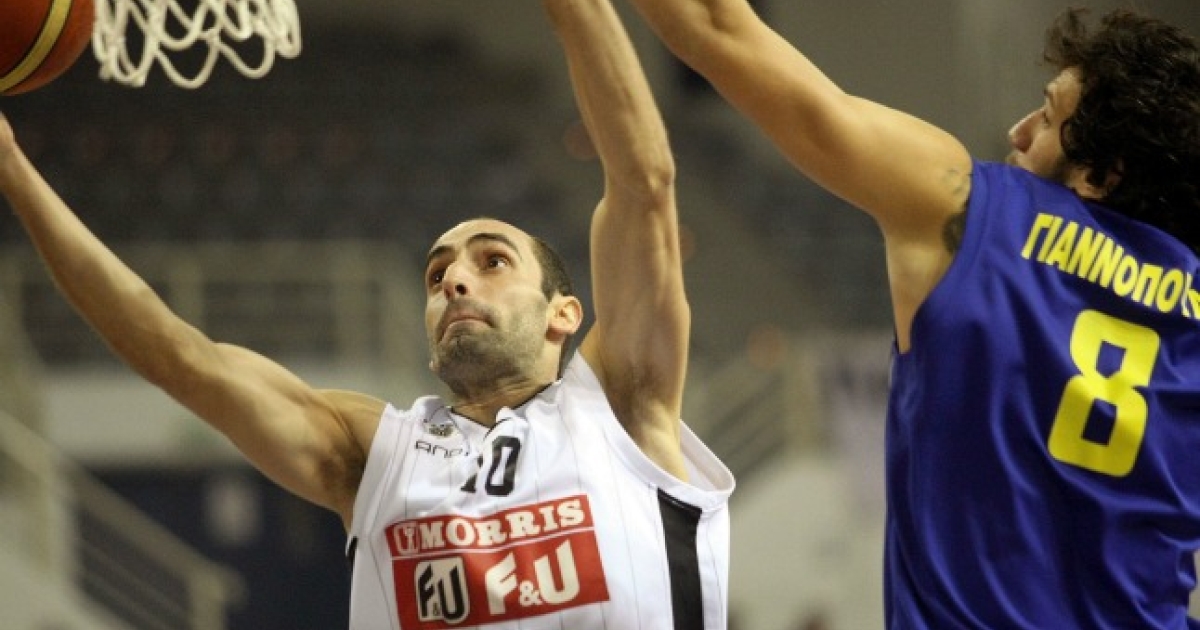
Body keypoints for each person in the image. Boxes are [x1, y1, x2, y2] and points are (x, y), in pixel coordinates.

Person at [0, 0, 736, 626]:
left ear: (564, 314)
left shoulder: (622, 407)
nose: (454, 281)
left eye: (491, 261)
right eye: (437, 274)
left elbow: (643, 181)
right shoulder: (376, 453)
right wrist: (9, 164)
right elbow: (177, 357)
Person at [621, 0, 1200, 628]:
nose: (1019, 130)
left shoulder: (973, 211)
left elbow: (714, 26)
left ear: (1101, 175)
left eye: (1048, 115)